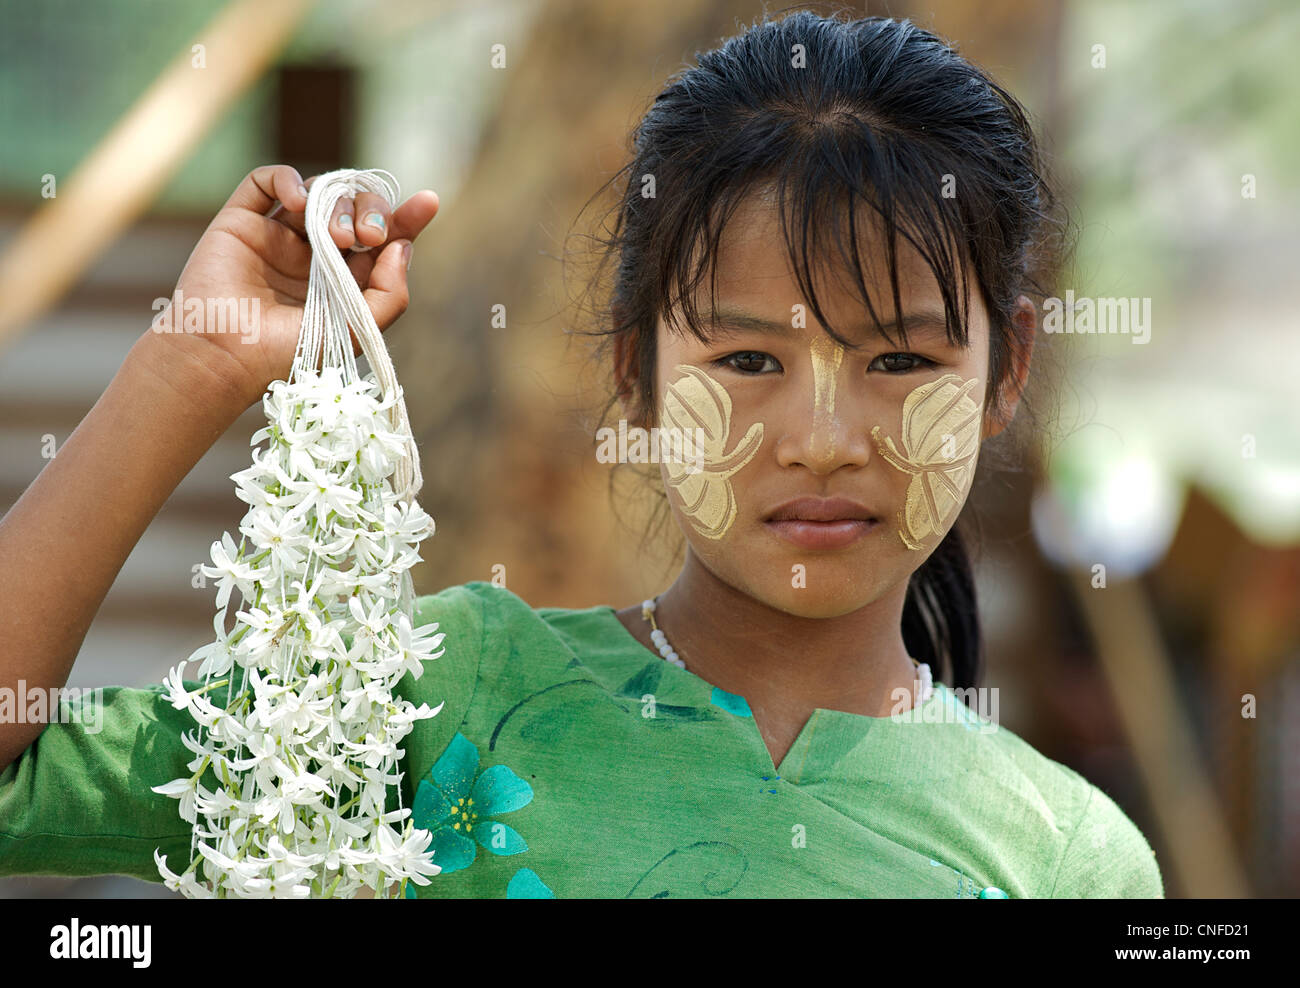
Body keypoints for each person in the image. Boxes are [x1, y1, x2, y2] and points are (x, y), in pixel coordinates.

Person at [0, 11, 1163, 898]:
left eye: (900, 362)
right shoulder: (431, 697)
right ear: (633, 369)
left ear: (1005, 369)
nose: (820, 442)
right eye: (747, 362)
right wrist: (190, 365)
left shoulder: (1067, 858)